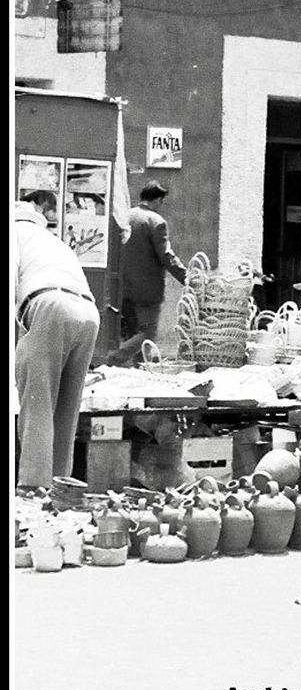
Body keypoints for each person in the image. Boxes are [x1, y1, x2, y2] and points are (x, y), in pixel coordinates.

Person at [14, 200, 101, 489]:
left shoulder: (14, 233)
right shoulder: (54, 242)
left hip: (50, 305)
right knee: (66, 408)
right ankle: (62, 493)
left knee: (38, 405)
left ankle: (33, 492)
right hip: (89, 313)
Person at [106, 181, 187, 367]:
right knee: (147, 334)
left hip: (122, 288)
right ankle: (112, 359)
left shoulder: (125, 217)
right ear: (158, 200)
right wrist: (187, 278)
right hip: (147, 290)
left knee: (133, 333)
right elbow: (167, 256)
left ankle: (140, 371)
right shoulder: (156, 222)